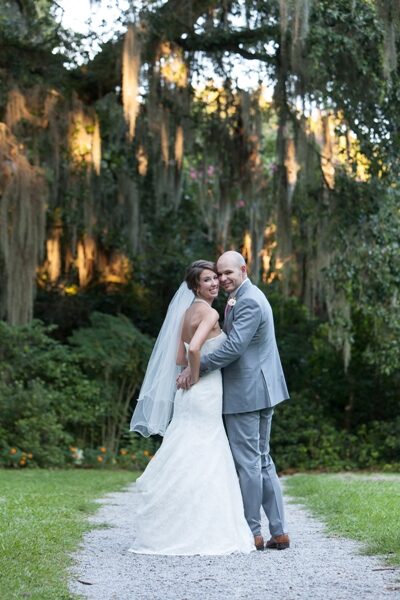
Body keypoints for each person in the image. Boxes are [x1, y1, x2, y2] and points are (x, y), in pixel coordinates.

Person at [129, 260, 255, 555]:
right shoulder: (210, 313)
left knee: (187, 449)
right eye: (208, 280)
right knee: (207, 451)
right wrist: (196, 374)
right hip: (204, 390)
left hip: (186, 396)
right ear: (196, 286)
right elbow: (195, 349)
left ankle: (179, 522)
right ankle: (205, 530)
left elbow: (178, 357)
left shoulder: (186, 313)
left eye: (216, 279)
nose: (215, 283)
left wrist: (187, 371)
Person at [177, 251, 290, 551]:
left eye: (228, 273)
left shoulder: (249, 300)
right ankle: (278, 531)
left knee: (249, 463)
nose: (223, 278)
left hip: (247, 392)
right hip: (260, 389)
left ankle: (253, 531)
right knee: (262, 460)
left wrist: (197, 367)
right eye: (219, 273)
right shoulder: (244, 297)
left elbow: (234, 348)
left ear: (243, 269)